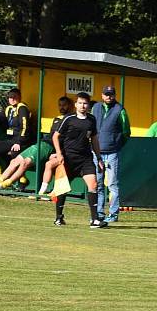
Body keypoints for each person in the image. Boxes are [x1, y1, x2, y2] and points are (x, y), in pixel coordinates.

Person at [0, 96, 73, 192]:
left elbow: (68, 140)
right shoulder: (57, 119)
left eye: (64, 105)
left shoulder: (71, 120)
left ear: (70, 106)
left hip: (48, 147)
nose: (62, 107)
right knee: (14, 161)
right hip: (41, 143)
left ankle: (5, 184)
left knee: (25, 163)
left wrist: (59, 152)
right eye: (60, 105)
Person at [51, 92, 108, 228]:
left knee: (93, 185)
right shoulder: (68, 119)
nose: (83, 106)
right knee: (63, 188)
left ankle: (94, 219)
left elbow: (94, 139)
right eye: (80, 103)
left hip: (86, 159)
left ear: (89, 105)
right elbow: (55, 136)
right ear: (76, 104)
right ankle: (59, 217)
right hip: (69, 159)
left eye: (85, 103)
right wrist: (59, 154)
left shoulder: (92, 120)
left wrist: (99, 157)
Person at [92, 85, 131, 222]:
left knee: (113, 184)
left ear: (115, 95)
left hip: (112, 153)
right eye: (106, 94)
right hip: (97, 152)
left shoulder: (120, 109)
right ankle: (99, 213)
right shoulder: (95, 107)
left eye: (111, 94)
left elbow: (126, 132)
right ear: (102, 95)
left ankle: (113, 214)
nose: (109, 97)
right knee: (98, 184)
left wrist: (117, 144)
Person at [0, 88, 35, 188]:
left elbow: (25, 127)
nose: (12, 99)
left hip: (22, 141)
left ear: (19, 97)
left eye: (14, 97)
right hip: (12, 140)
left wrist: (19, 142)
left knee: (14, 154)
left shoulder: (22, 108)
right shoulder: (9, 109)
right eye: (10, 97)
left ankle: (20, 180)